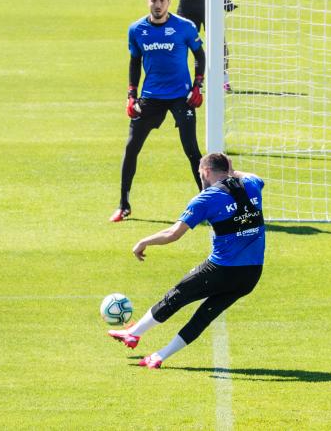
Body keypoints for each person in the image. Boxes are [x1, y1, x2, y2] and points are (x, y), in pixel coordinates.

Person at [108, 152, 266, 369]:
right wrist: (231, 170)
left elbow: (174, 233)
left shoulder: (207, 198)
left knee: (176, 296)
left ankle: (133, 334)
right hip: (251, 275)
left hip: (221, 269)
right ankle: (160, 356)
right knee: (203, 316)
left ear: (206, 172)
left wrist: (144, 241)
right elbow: (255, 177)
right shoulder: (251, 185)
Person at [109, 0, 206, 223]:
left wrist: (197, 85)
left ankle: (207, 204)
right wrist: (131, 94)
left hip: (180, 96)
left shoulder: (184, 27)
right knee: (132, 148)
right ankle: (123, 205)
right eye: (154, 0)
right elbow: (134, 61)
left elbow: (200, 55)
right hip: (151, 96)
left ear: (169, 2)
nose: (158, 4)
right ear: (148, 2)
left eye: (162, 0)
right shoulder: (137, 29)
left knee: (192, 150)